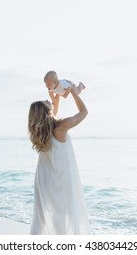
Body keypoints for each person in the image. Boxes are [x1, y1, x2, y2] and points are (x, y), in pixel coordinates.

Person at [28, 85, 90, 235]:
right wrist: (75, 94)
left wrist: (56, 102)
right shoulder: (61, 127)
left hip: (44, 178)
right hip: (60, 178)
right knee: (64, 215)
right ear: (46, 112)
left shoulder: (43, 130)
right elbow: (84, 112)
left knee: (42, 217)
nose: (46, 99)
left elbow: (49, 118)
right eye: (45, 102)